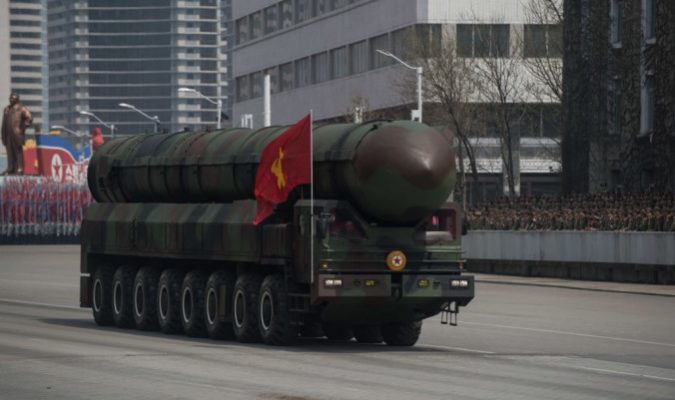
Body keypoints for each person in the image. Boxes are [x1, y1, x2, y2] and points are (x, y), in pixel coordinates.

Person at [1, 92, 32, 175]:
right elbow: (4, 124)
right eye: (10, 98)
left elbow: (29, 118)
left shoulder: (22, 109)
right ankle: (10, 168)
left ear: (17, 99)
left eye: (12, 98)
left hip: (17, 133)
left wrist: (23, 128)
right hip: (8, 134)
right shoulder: (6, 109)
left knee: (18, 151)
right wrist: (3, 135)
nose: (10, 99)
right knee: (9, 151)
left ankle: (19, 168)